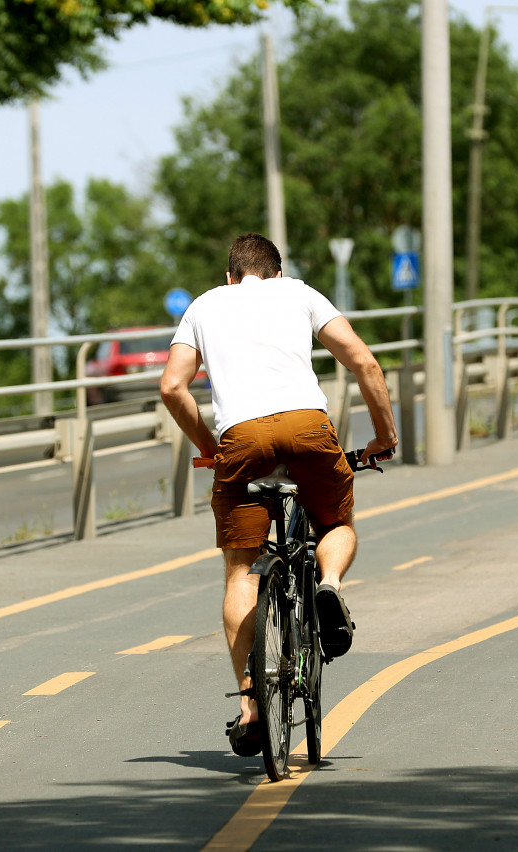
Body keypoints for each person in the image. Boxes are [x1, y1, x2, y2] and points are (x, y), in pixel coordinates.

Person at [159, 232, 397, 756]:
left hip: (241, 439)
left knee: (242, 568)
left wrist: (210, 447)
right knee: (335, 525)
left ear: (230, 276)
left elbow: (172, 387)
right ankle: (329, 584)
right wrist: (384, 436)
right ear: (277, 272)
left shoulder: (204, 305)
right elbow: (364, 362)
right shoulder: (301, 294)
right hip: (307, 427)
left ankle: (250, 702)